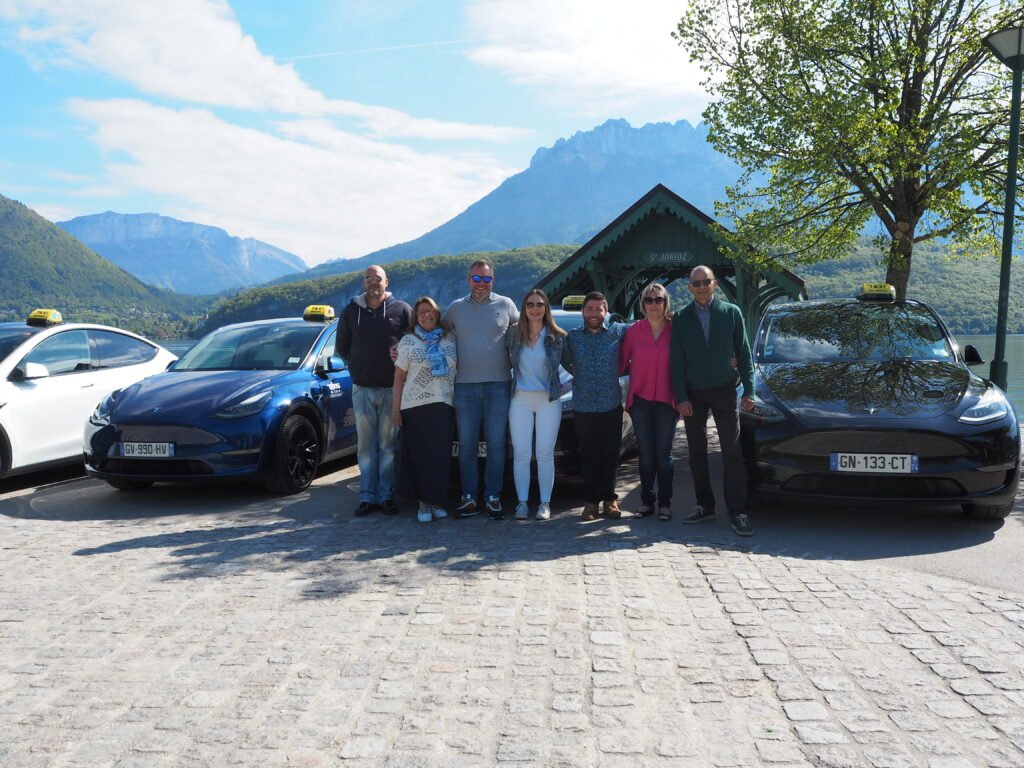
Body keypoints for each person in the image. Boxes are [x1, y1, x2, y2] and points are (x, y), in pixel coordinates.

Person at [670, 265, 755, 536]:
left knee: (732, 453)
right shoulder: (681, 319)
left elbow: (744, 353)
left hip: (725, 390)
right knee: (696, 453)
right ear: (689, 288)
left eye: (706, 281)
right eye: (696, 283)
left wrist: (750, 390)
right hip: (693, 393)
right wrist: (681, 397)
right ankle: (704, 506)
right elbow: (677, 362)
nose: (702, 286)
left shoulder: (732, 313)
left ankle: (738, 512)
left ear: (715, 283)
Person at [442, 259, 519, 519]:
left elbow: (528, 333)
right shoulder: (454, 309)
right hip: (464, 387)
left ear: (493, 281)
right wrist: (403, 343)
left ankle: (493, 496)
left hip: (499, 385)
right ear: (468, 280)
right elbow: (432, 334)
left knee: (497, 443)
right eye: (477, 279)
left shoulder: (506, 305)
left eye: (486, 279)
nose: (481, 284)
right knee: (467, 444)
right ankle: (469, 497)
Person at [336, 265, 412, 516]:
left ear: (386, 282)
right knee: (366, 447)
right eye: (368, 278)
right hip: (362, 389)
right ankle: (368, 497)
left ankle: (387, 496)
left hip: (392, 389)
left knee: (389, 447)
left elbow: (414, 342)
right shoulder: (350, 312)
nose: (372, 282)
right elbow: (343, 348)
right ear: (363, 283)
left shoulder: (401, 309)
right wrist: (359, 367)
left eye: (377, 278)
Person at [564, 291, 629, 521]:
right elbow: (560, 354)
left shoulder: (618, 332)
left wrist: (670, 317)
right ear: (583, 311)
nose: (594, 314)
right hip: (582, 406)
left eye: (599, 309)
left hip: (610, 404)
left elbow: (645, 328)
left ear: (606, 312)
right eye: (590, 309)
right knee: (589, 456)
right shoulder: (571, 337)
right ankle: (590, 503)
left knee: (610, 455)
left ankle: (610, 500)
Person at [392, 297, 458, 523]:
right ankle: (423, 504)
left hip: (443, 404)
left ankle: (437, 501)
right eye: (422, 313)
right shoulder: (408, 341)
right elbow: (399, 378)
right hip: (414, 406)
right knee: (419, 457)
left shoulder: (450, 339)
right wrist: (395, 410)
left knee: (439, 457)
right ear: (416, 317)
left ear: (437, 313)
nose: (427, 315)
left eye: (430, 311)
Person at [506, 288, 568, 521]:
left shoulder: (557, 336)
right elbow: (502, 360)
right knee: (521, 454)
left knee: (544, 453)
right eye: (530, 304)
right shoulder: (513, 335)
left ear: (546, 308)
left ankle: (544, 503)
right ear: (524, 309)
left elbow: (572, 367)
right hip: (520, 399)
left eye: (539, 304)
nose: (535, 308)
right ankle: (522, 503)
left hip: (548, 401)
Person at [619, 283, 677, 521]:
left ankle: (665, 503)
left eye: (659, 299)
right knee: (646, 454)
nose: (654, 304)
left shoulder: (676, 330)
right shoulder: (633, 332)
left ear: (666, 304)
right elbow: (621, 363)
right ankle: (646, 501)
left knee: (663, 455)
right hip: (640, 400)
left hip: (667, 400)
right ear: (642, 305)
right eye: (649, 300)